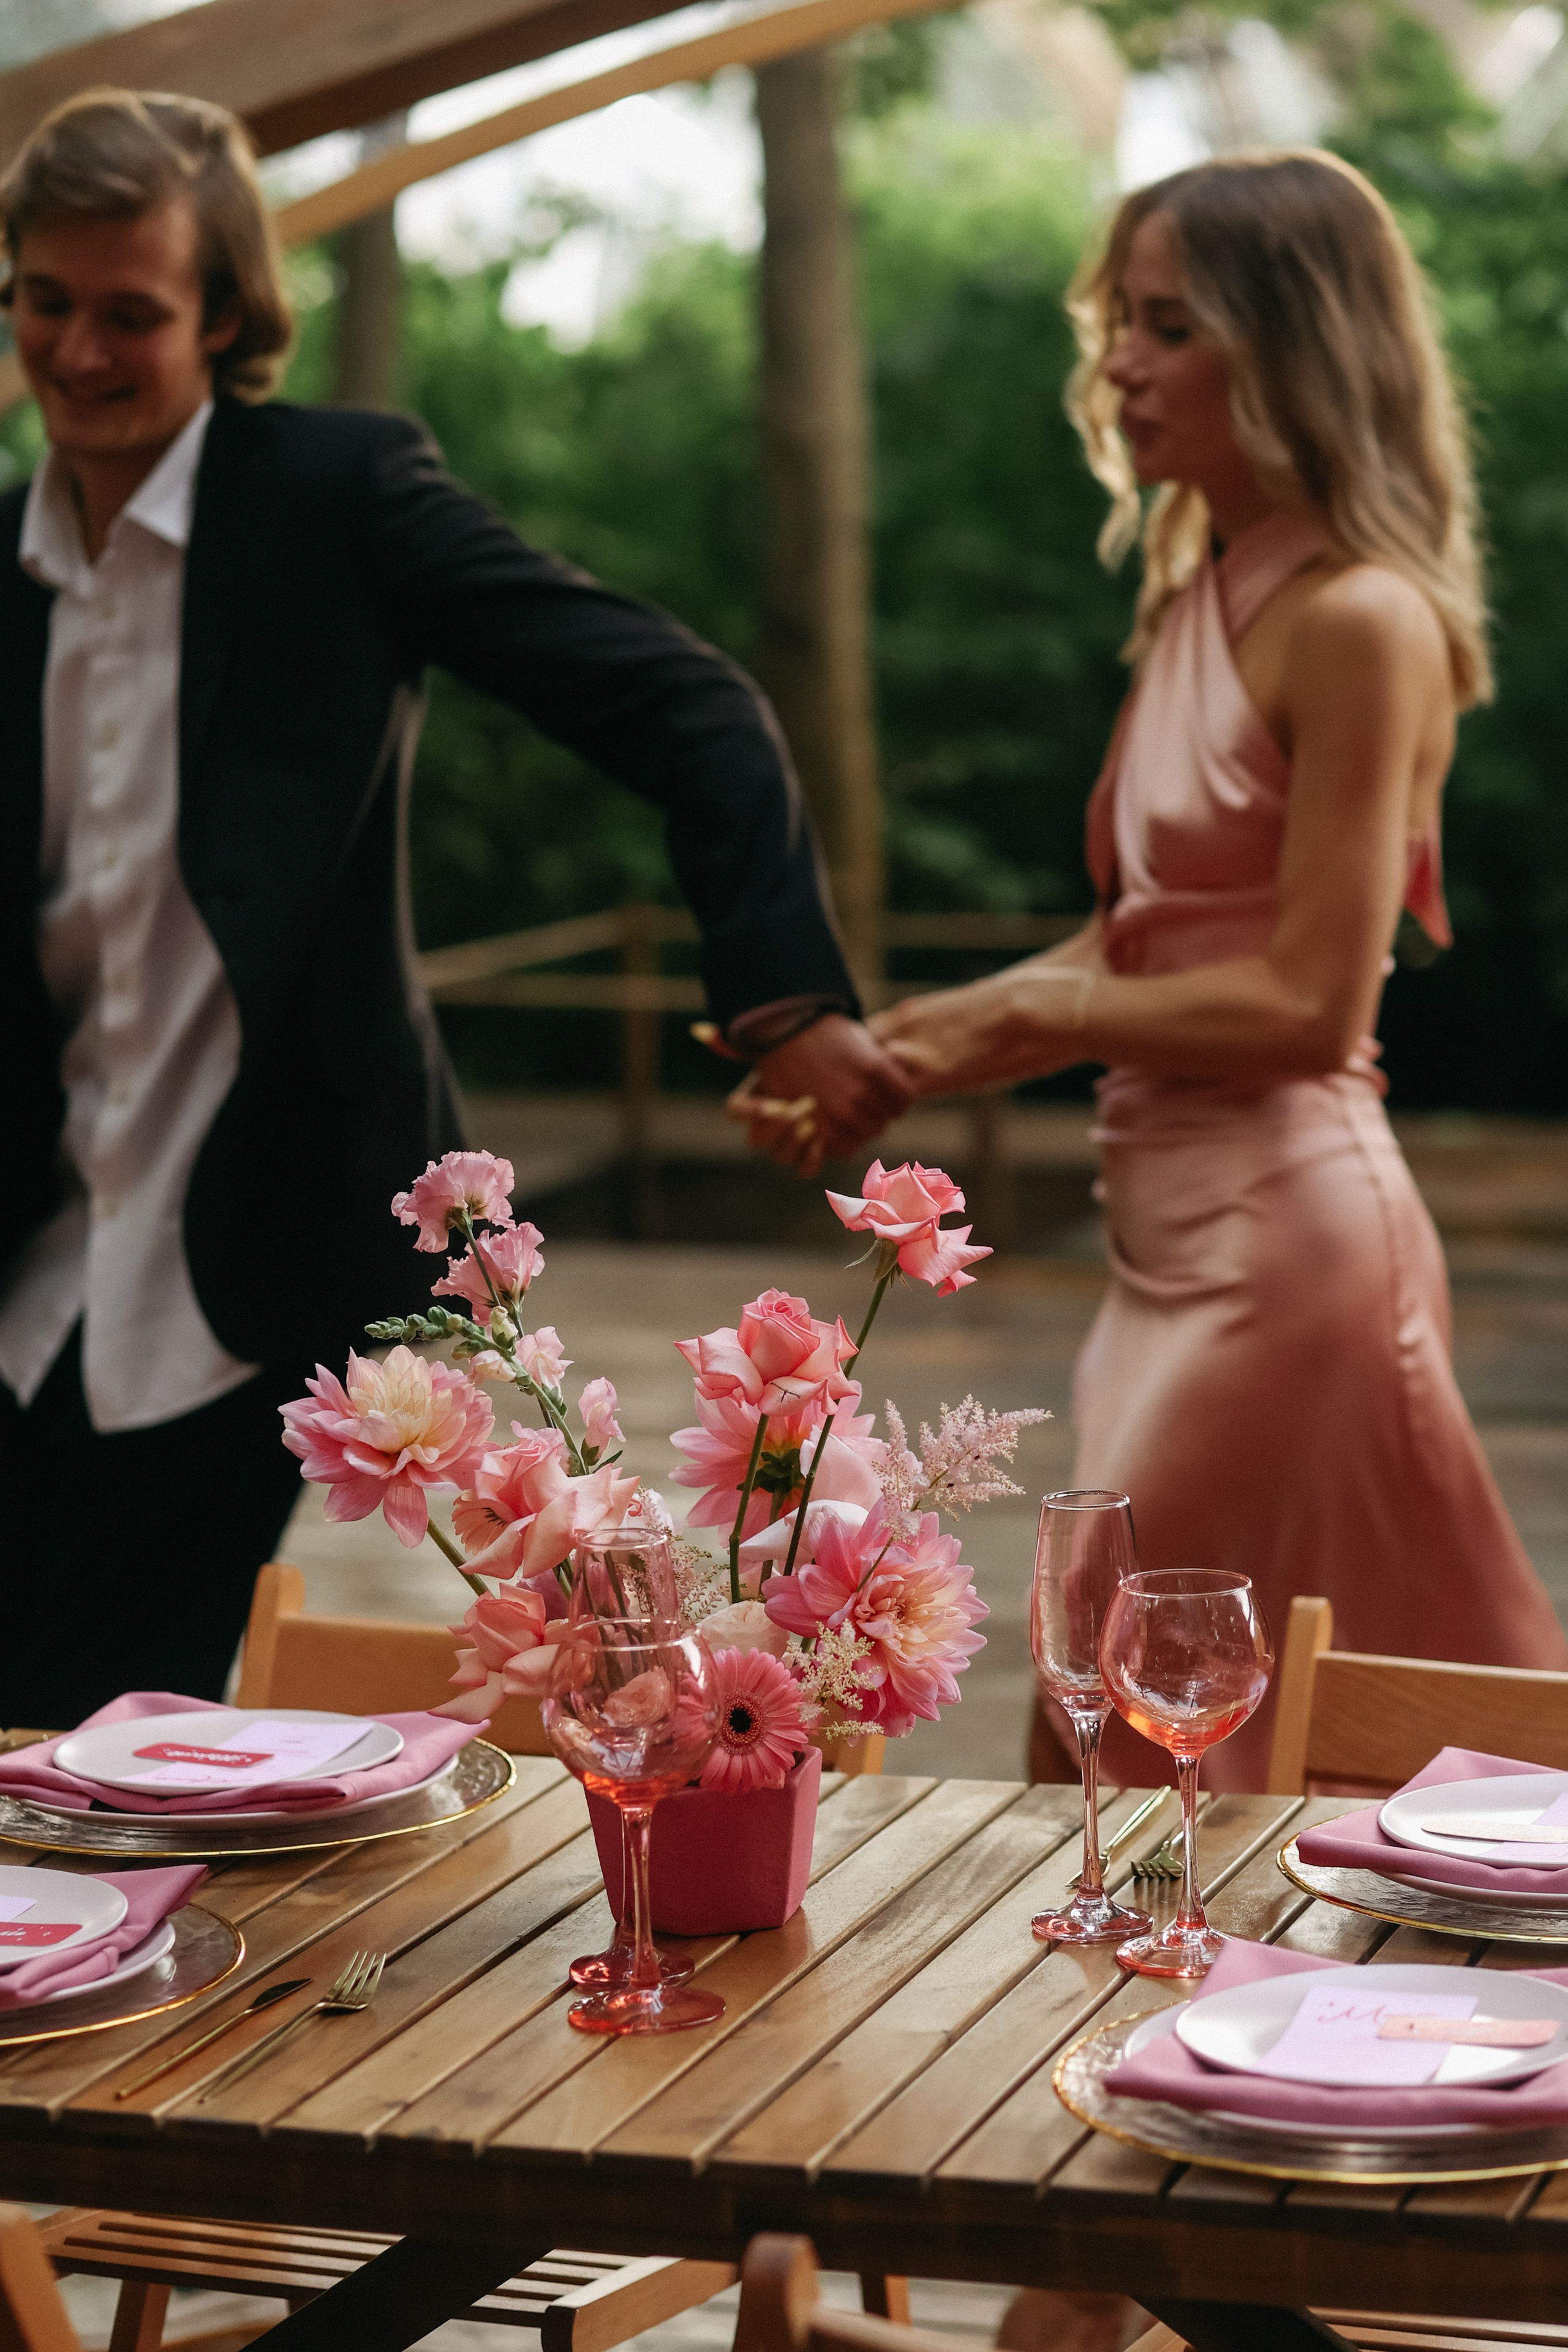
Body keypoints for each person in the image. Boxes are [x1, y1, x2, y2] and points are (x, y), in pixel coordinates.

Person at [0, 87, 911, 1728]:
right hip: (33, 1260)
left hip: (264, 1259)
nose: (74, 353)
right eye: (42, 303)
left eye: (127, 312)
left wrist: (785, 995)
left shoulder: (333, 501)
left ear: (222, 316)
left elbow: (686, 706)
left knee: (107, 1735)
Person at [862, 149, 1568, 1791]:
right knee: (1172, 1737)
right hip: (1159, 1259)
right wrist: (912, 1047)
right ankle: (1192, 2049)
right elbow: (1146, 935)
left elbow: (1315, 1002)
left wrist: (1033, 1014)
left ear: (1294, 346)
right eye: (1119, 317)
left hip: (1291, 1260)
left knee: (1116, 1720)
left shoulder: (1361, 619)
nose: (1116, 360)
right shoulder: (1194, 592)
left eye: (1166, 322)